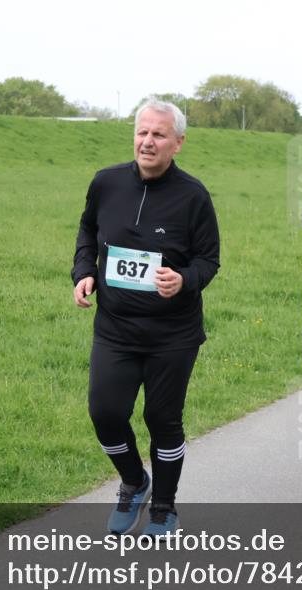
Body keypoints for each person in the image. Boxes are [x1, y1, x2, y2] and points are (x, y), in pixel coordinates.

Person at [72, 100, 220, 537]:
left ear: (178, 142)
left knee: (163, 420)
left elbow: (209, 259)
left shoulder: (193, 196)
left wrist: (185, 279)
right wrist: (84, 272)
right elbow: (86, 232)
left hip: (172, 334)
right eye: (142, 132)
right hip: (116, 328)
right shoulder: (106, 183)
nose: (147, 142)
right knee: (105, 412)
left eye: (158, 134)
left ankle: (164, 506)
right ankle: (134, 482)